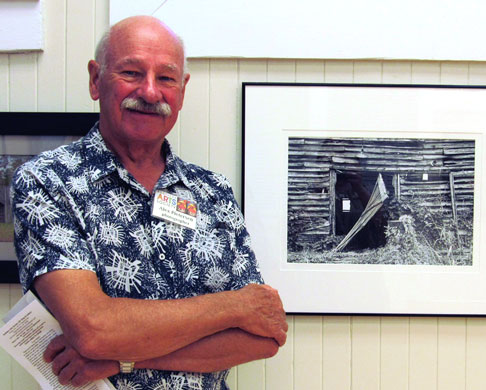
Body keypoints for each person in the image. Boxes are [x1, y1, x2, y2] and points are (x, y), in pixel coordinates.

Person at [11, 15, 287, 389]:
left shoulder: (212, 192)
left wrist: (120, 360)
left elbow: (264, 336)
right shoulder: (48, 182)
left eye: (167, 78)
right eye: (131, 73)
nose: (151, 92)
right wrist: (234, 307)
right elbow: (94, 330)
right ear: (96, 79)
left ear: (183, 90)